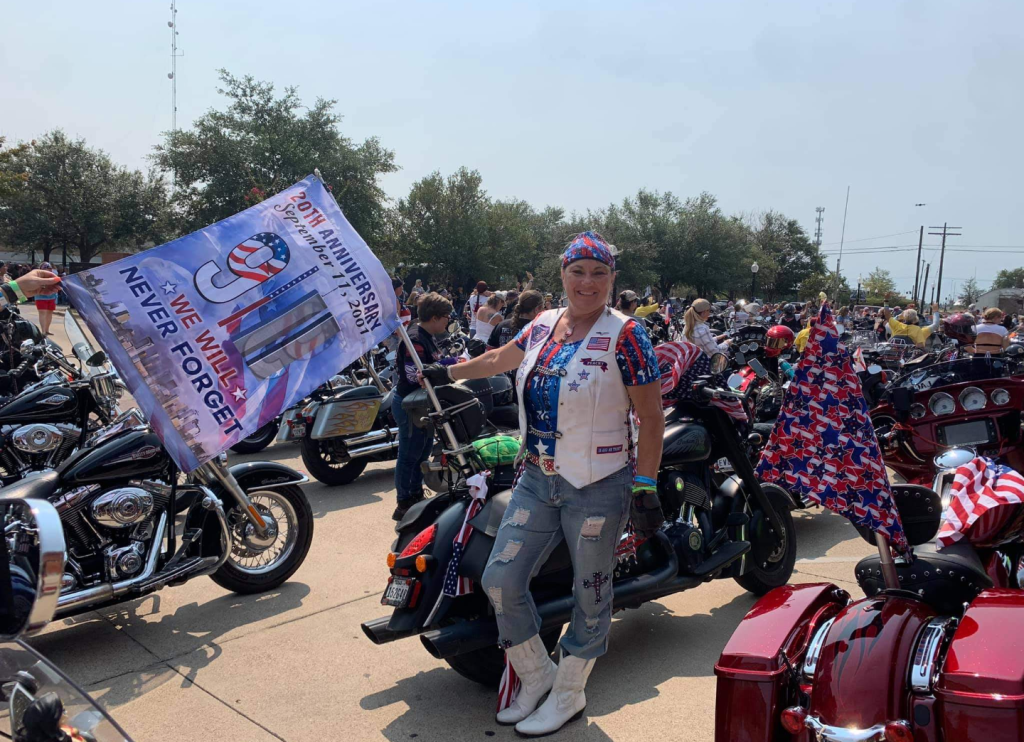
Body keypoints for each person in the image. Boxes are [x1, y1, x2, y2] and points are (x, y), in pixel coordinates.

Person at [421, 232, 664, 736]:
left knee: (591, 592)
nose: (587, 282)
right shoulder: (543, 324)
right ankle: (537, 676)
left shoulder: (627, 334)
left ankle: (570, 691)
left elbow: (651, 416)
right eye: (578, 272)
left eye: (599, 273)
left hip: (599, 484)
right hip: (537, 477)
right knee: (499, 580)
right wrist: (447, 373)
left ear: (612, 279)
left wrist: (645, 484)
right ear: (563, 275)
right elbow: (499, 359)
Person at [392, 292, 455, 520]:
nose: (449, 321)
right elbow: (413, 375)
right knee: (409, 454)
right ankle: (404, 502)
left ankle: (416, 494)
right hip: (410, 405)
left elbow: (431, 365)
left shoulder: (428, 336)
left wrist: (450, 362)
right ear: (435, 317)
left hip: (425, 403)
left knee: (422, 452)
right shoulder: (415, 339)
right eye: (447, 316)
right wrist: (448, 364)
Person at [33, 262, 59, 336]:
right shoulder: (37, 277)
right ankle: (43, 331)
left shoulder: (53, 276)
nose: (49, 270)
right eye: (47, 268)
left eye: (50, 268)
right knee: (43, 313)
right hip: (40, 297)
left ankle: (47, 330)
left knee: (49, 313)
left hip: (52, 297)